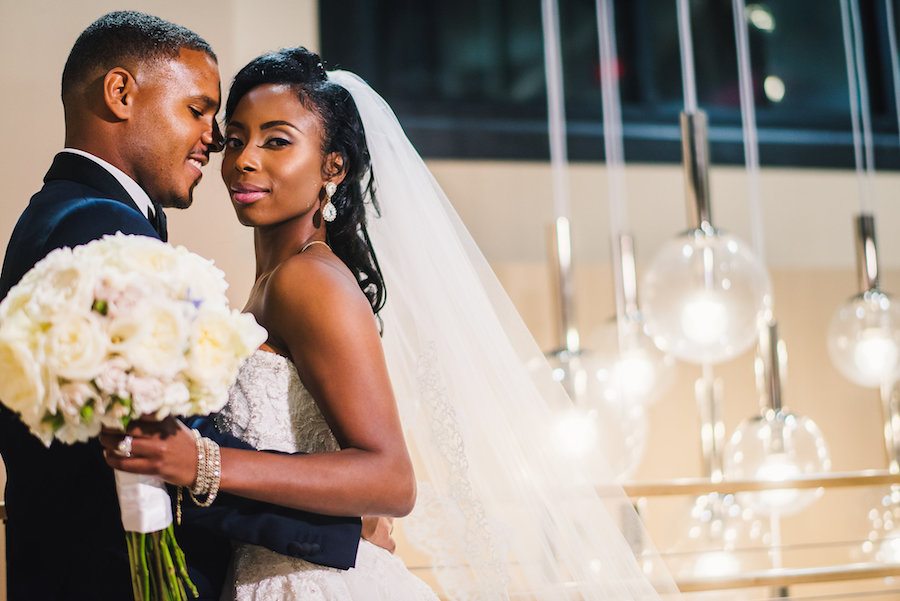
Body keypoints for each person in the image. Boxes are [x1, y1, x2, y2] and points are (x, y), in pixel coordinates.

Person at [105, 46, 683, 600]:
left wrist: (202, 462)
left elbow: (390, 478)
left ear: (334, 166)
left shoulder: (307, 281)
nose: (245, 159)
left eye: (276, 141)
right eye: (235, 140)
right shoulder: (274, 283)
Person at [0, 14, 363, 601]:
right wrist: (342, 525)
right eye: (200, 110)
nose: (218, 140)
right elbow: (156, 450)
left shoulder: (62, 213)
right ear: (121, 94)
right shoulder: (99, 228)